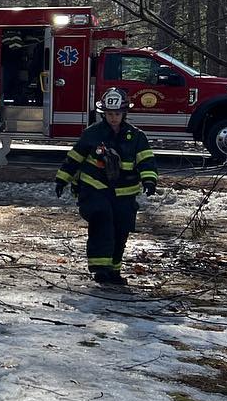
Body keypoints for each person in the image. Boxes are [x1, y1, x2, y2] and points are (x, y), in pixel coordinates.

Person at [55, 87, 158, 286]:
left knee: (121, 231)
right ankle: (100, 271)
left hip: (125, 194)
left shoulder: (136, 136)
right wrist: (62, 179)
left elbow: (146, 160)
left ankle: (114, 271)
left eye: (117, 114)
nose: (113, 118)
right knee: (102, 223)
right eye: (109, 114)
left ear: (124, 113)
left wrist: (149, 180)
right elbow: (75, 157)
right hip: (95, 188)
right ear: (104, 114)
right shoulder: (92, 134)